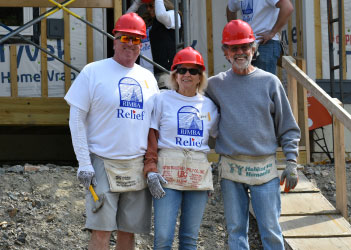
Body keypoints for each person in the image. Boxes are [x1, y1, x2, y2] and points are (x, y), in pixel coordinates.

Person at [64, 13, 159, 250]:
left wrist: (152, 165)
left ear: (141, 44)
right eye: (125, 37)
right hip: (103, 164)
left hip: (136, 166)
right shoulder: (93, 72)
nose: (130, 44)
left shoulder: (148, 78)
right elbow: (76, 119)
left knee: (128, 234)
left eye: (136, 40)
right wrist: (84, 163)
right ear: (114, 40)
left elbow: (154, 127)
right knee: (101, 232)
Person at [206, 19, 301, 250]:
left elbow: (287, 126)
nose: (240, 52)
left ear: (254, 48)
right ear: (225, 51)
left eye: (244, 47)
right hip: (231, 167)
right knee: (236, 232)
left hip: (264, 169)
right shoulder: (214, 85)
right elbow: (186, 96)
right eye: (234, 48)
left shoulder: (270, 82)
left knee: (270, 230)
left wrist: (291, 161)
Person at [144, 47, 219, 249]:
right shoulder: (161, 99)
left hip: (197, 170)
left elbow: (220, 137)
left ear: (200, 77)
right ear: (174, 75)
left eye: (193, 71)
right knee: (162, 238)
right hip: (168, 171)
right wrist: (150, 169)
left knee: (189, 239)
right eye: (182, 70)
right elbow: (151, 136)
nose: (187, 74)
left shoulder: (209, 106)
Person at [226, 0, 294, 74]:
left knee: (263, 83)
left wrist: (272, 33)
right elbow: (230, 8)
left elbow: (287, 7)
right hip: (247, 45)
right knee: (247, 83)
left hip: (265, 44)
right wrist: (235, 31)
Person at [127, 0, 182, 88]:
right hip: (143, 72)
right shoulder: (146, 21)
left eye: (151, 6)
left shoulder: (173, 15)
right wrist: (137, 3)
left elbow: (161, 15)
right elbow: (125, 22)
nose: (148, 9)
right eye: (147, 6)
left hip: (163, 72)